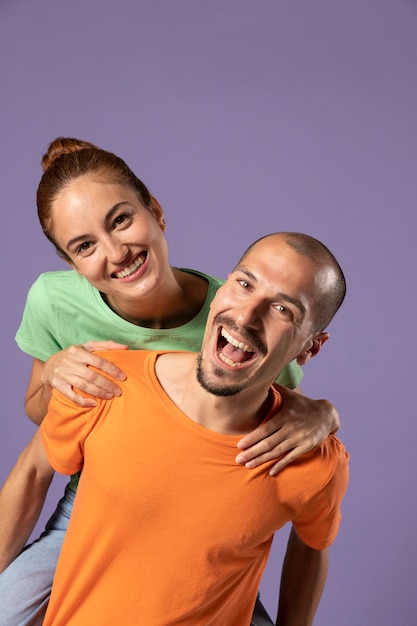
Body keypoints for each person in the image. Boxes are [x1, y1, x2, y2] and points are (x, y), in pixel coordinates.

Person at [0, 139, 340, 625]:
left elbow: (280, 405)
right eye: (84, 246)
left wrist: (325, 413)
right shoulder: (55, 302)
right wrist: (55, 373)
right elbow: (39, 414)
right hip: (97, 494)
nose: (116, 252)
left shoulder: (232, 317)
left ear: (155, 210)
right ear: (72, 264)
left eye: (120, 220)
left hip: (203, 507)